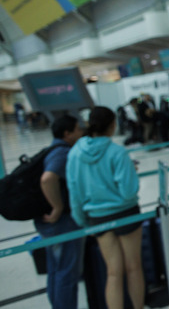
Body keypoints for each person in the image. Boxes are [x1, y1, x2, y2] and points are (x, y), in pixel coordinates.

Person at [66, 107, 144, 309]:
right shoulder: (117, 152)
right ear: (112, 125)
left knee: (113, 272)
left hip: (97, 218)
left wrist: (84, 222)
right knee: (133, 267)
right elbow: (128, 192)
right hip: (125, 214)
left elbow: (74, 193)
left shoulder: (75, 154)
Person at [34, 115, 83, 309]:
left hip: (51, 224)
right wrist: (58, 207)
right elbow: (47, 179)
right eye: (77, 129)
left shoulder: (52, 149)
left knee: (56, 269)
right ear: (67, 133)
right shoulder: (62, 153)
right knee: (67, 272)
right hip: (61, 223)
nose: (80, 132)